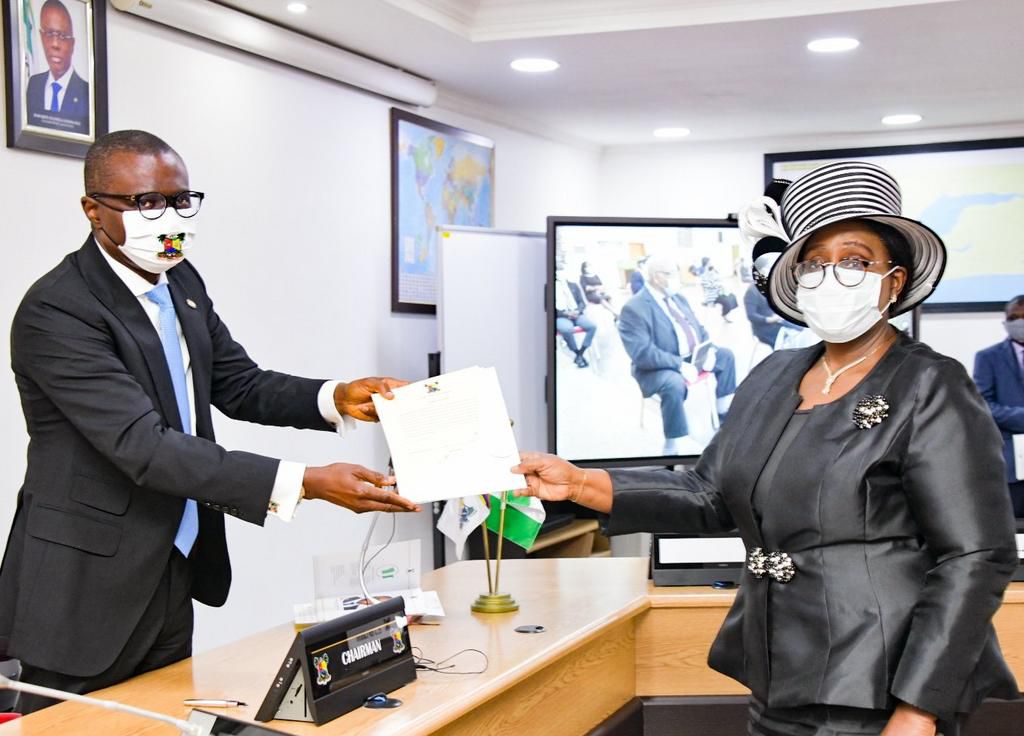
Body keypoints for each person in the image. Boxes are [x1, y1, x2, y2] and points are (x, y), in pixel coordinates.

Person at [515, 162, 1018, 736]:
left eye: (854, 260)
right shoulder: (775, 374)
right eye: (814, 262)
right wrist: (579, 483)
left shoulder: (931, 384)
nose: (832, 276)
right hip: (777, 671)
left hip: (878, 685)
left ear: (894, 281)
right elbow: (708, 494)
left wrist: (919, 708)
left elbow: (975, 556)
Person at [0, 130, 421, 712]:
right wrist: (305, 482)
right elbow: (142, 445)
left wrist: (336, 396)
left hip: (172, 564)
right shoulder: (58, 310)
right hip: (83, 587)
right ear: (93, 209)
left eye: (180, 200)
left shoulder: (182, 283)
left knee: (166, 720)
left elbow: (237, 382)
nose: (168, 217)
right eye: (146, 203)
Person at [617, 256, 736, 453]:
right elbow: (642, 353)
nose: (677, 278)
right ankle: (674, 443)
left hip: (690, 357)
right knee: (673, 383)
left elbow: (698, 327)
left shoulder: (678, 298)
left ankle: (724, 412)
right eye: (671, 274)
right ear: (656, 277)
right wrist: (678, 365)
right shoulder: (634, 308)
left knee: (726, 356)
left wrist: (709, 350)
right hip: (655, 367)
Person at [973, 295, 1024, 517]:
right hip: (1010, 462)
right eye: (1014, 317)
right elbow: (984, 405)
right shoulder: (988, 357)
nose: (1019, 322)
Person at [25, 0, 89, 134]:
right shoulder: (33, 84)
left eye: (62, 36)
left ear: (72, 43)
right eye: (49, 34)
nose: (55, 44)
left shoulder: (86, 92)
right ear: (41, 37)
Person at [554, 261, 597, 368]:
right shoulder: (551, 287)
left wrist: (578, 311)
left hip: (576, 313)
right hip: (562, 316)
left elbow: (581, 302)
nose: (561, 273)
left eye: (562, 270)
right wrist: (565, 313)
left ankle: (581, 352)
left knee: (592, 326)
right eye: (558, 270)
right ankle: (577, 353)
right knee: (566, 329)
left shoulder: (573, 285)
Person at [743, 281, 783, 348]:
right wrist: (769, 319)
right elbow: (751, 315)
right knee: (784, 344)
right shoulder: (752, 292)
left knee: (799, 330)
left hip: (778, 321)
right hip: (764, 328)